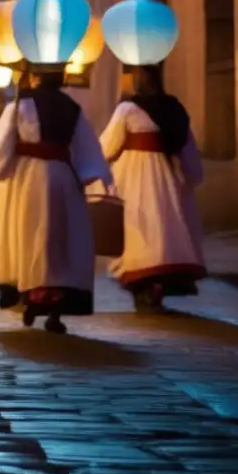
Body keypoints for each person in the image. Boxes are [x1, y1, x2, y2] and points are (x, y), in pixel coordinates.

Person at [0, 69, 111, 334]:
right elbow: (87, 151)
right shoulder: (72, 108)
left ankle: (31, 297)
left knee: (29, 238)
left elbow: (3, 144)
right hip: (63, 178)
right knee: (59, 243)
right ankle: (55, 310)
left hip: (28, 179)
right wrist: (90, 176)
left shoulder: (19, 105)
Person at [97, 65, 206, 311]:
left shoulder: (128, 109)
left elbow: (108, 146)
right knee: (166, 226)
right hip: (169, 178)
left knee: (139, 228)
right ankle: (161, 279)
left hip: (136, 178)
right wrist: (190, 175)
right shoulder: (175, 109)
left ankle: (144, 280)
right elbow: (187, 148)